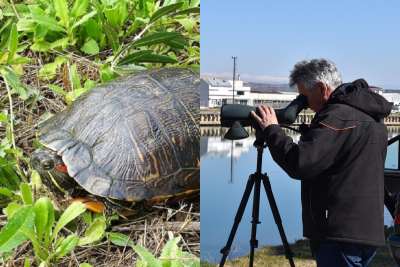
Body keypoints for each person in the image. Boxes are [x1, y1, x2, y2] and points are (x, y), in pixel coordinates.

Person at [251, 59, 391, 267]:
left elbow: (299, 164)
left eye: (304, 96)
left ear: (321, 87)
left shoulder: (336, 117)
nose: (304, 103)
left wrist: (272, 130)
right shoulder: (369, 115)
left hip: (338, 230)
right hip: (366, 229)